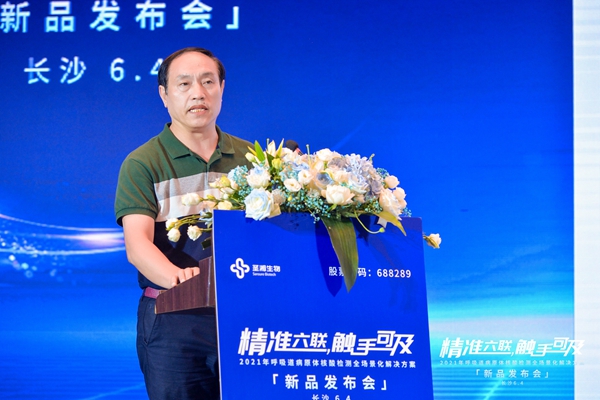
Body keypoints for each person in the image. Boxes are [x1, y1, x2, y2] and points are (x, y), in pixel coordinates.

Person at [114, 47, 253, 400]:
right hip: (173, 318)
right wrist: (181, 282)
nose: (198, 93)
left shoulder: (253, 160)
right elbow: (138, 245)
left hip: (244, 314)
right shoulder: (143, 163)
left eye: (208, 82)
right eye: (184, 84)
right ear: (164, 94)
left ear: (222, 88)